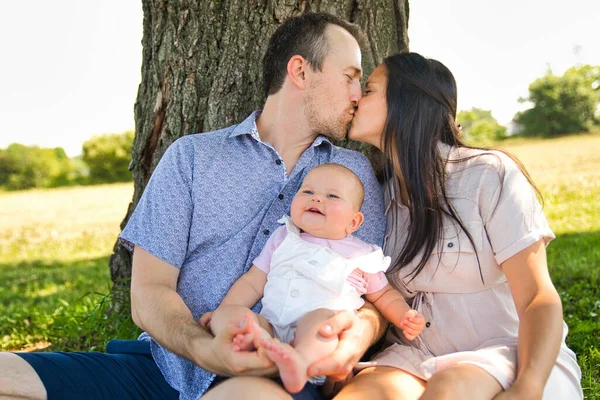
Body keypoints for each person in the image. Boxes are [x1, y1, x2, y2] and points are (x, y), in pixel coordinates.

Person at [0, 13, 388, 400]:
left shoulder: (351, 173)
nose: (358, 93)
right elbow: (150, 290)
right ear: (300, 71)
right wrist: (204, 350)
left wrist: (361, 331)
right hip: (165, 366)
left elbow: (373, 292)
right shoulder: (192, 157)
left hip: (277, 376)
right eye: (350, 76)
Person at [330, 52, 583, 399]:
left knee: (449, 390)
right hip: (414, 357)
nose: (356, 97)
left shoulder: (488, 173)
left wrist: (529, 386)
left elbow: (537, 297)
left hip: (506, 352)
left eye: (369, 89)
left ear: (409, 101)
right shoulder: (376, 198)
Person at [202, 163, 425, 394]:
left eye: (332, 196)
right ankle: (252, 340)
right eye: (307, 192)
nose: (317, 199)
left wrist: (403, 316)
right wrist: (225, 309)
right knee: (238, 316)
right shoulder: (283, 236)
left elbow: (384, 295)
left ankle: (300, 361)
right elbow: (252, 282)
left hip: (318, 332)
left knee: (321, 322)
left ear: (354, 222)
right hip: (270, 326)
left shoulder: (362, 254)